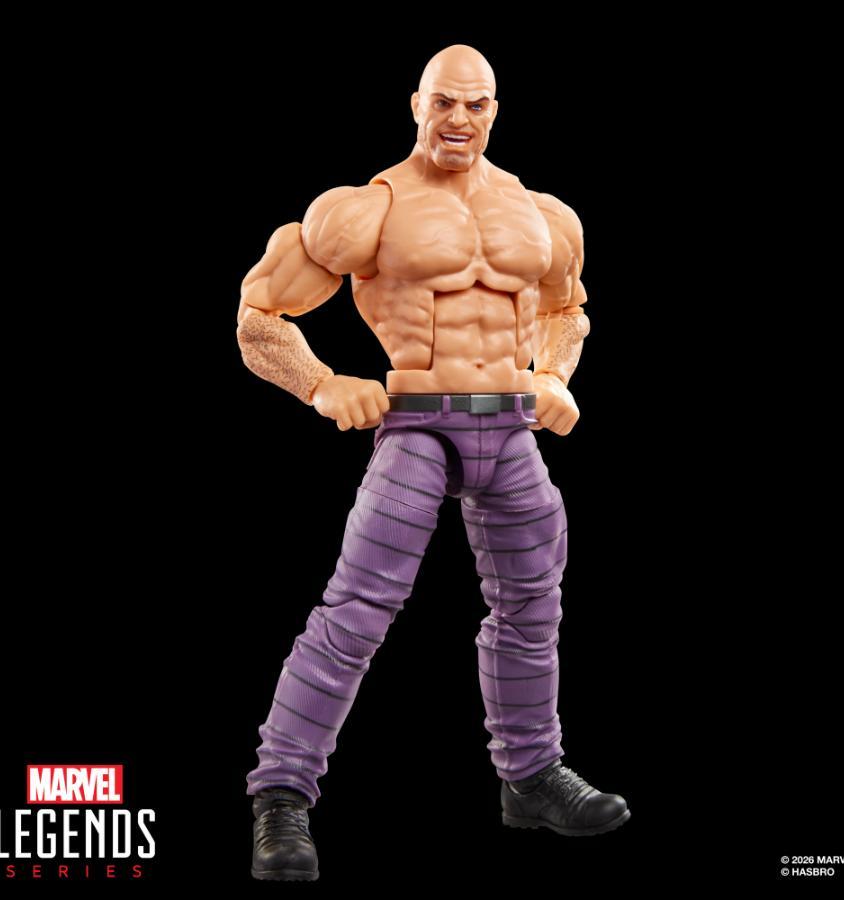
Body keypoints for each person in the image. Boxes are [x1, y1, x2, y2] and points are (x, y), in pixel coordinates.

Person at [236, 43, 630, 882]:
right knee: (357, 610)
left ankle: (531, 777)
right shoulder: (367, 210)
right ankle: (281, 795)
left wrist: (554, 376)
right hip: (417, 425)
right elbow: (259, 317)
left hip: (510, 429)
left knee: (533, 607)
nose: (459, 118)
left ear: (495, 111)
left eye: (476, 104)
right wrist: (321, 384)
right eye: (444, 101)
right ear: (416, 104)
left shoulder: (540, 213)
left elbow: (567, 310)